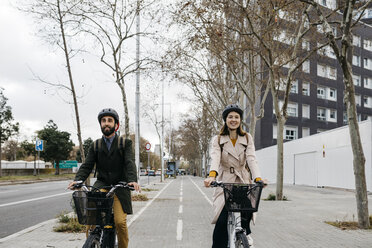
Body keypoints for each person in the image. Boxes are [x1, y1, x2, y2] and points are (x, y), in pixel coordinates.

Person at [68, 108, 140, 248]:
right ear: (100, 124)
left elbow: (129, 162)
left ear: (116, 125)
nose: (106, 123)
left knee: (120, 222)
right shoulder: (95, 145)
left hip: (120, 186)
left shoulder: (124, 144)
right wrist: (78, 180)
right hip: (101, 185)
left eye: (109, 120)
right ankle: (93, 242)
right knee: (91, 220)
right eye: (103, 121)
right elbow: (87, 165)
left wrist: (132, 180)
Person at [204, 104, 262, 248]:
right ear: (226, 119)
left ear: (240, 120)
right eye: (230, 117)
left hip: (243, 180)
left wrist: (258, 178)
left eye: (236, 117)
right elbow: (216, 158)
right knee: (222, 221)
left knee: (248, 209)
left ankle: (244, 235)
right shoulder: (218, 139)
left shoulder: (247, 138)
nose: (233, 120)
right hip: (225, 181)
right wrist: (212, 176)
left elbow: (251, 159)